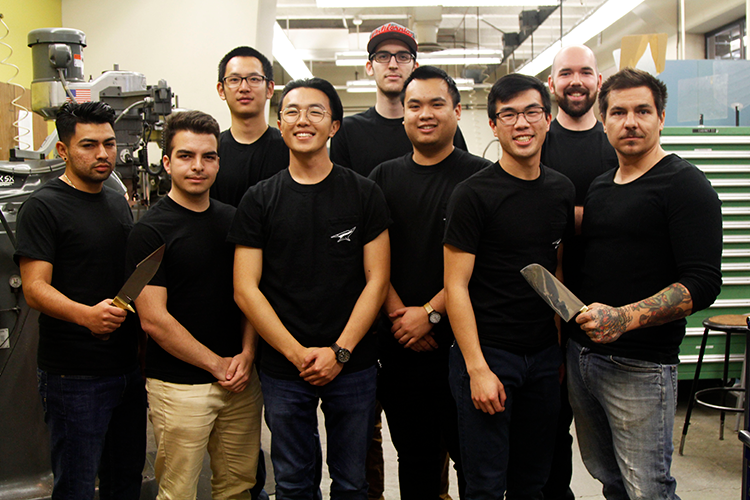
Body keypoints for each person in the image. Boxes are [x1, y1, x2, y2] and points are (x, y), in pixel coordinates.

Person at [231, 77, 391, 499]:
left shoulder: (364, 194)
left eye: (315, 111)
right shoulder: (258, 200)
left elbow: (377, 281)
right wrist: (295, 353)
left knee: (352, 481)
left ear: (334, 126)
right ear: (279, 124)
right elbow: (245, 289)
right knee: (293, 482)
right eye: (292, 111)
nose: (303, 120)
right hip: (285, 369)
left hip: (352, 365)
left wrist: (340, 351)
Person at [568, 67, 723, 500]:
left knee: (648, 489)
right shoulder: (600, 186)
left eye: (642, 111)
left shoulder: (685, 185)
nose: (630, 121)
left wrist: (624, 318)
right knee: (609, 479)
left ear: (661, 117)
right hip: (584, 358)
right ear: (603, 121)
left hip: (641, 367)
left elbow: (703, 281)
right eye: (618, 112)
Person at [443, 74, 575, 498]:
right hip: (489, 354)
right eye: (510, 115)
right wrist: (477, 369)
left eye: (532, 111)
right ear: (494, 125)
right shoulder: (472, 194)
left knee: (532, 481)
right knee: (484, 484)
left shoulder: (560, 189)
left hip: (541, 357)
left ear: (548, 119)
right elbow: (456, 286)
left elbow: (554, 273)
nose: (522, 123)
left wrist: (555, 348)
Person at [127, 110, 263, 499]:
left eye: (208, 156)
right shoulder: (149, 231)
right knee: (178, 491)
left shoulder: (234, 220)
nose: (198, 166)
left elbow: (251, 296)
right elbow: (154, 320)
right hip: (179, 388)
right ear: (167, 163)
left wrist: (247, 355)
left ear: (218, 161)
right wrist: (216, 364)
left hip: (239, 381)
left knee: (238, 487)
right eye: (186, 156)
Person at [369, 65, 490, 499]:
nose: (425, 114)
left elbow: (485, 263)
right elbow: (371, 261)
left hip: (465, 348)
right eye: (414, 105)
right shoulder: (381, 178)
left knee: (475, 463)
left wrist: (431, 314)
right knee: (416, 464)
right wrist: (402, 316)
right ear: (402, 116)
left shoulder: (482, 178)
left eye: (437, 104)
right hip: (400, 346)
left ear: (457, 111)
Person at [15, 101, 146, 500]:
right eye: (89, 145)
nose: (103, 154)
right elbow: (35, 287)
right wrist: (86, 316)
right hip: (75, 375)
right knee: (75, 485)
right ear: (63, 151)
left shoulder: (113, 198)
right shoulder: (43, 206)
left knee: (124, 482)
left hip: (126, 369)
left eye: (108, 144)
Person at [540, 44, 618, 500]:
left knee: (614, 443)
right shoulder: (537, 137)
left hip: (615, 306)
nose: (575, 81)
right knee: (550, 433)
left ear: (598, 82)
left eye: (585, 72)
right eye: (565, 73)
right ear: (552, 83)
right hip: (551, 310)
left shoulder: (615, 138)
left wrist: (565, 214)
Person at [330, 22, 468, 178]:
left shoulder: (439, 127)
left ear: (415, 67)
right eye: (383, 56)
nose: (393, 65)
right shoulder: (348, 131)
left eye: (403, 57)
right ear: (369, 67)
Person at [212, 46, 288, 207]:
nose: (244, 88)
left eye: (254, 79)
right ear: (221, 90)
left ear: (269, 89)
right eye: (234, 80)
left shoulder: (289, 149)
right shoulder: (210, 151)